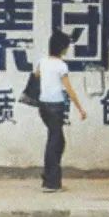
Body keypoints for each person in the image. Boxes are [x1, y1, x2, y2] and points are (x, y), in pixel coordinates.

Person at [34, 30, 87, 192]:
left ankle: (49, 178)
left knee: (56, 141)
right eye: (67, 46)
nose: (67, 49)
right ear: (62, 48)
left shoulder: (42, 62)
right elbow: (69, 90)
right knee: (55, 143)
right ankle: (51, 183)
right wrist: (80, 109)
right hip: (56, 107)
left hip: (43, 107)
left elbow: (36, 76)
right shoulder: (61, 65)